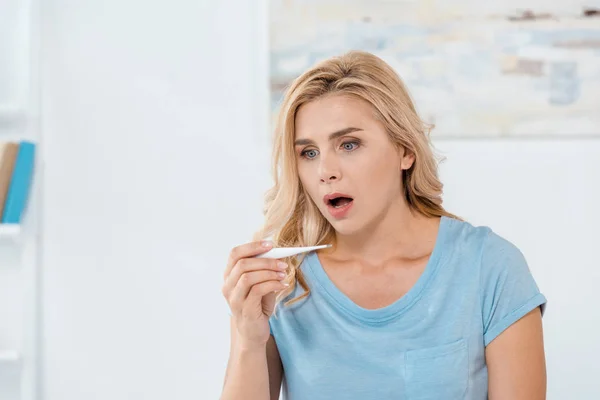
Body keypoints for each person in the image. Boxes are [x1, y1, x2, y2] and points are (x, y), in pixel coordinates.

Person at [220, 50, 547, 400]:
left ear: (405, 150)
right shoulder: (282, 284)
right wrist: (248, 340)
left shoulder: (491, 268)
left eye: (349, 144)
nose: (325, 171)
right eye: (309, 152)